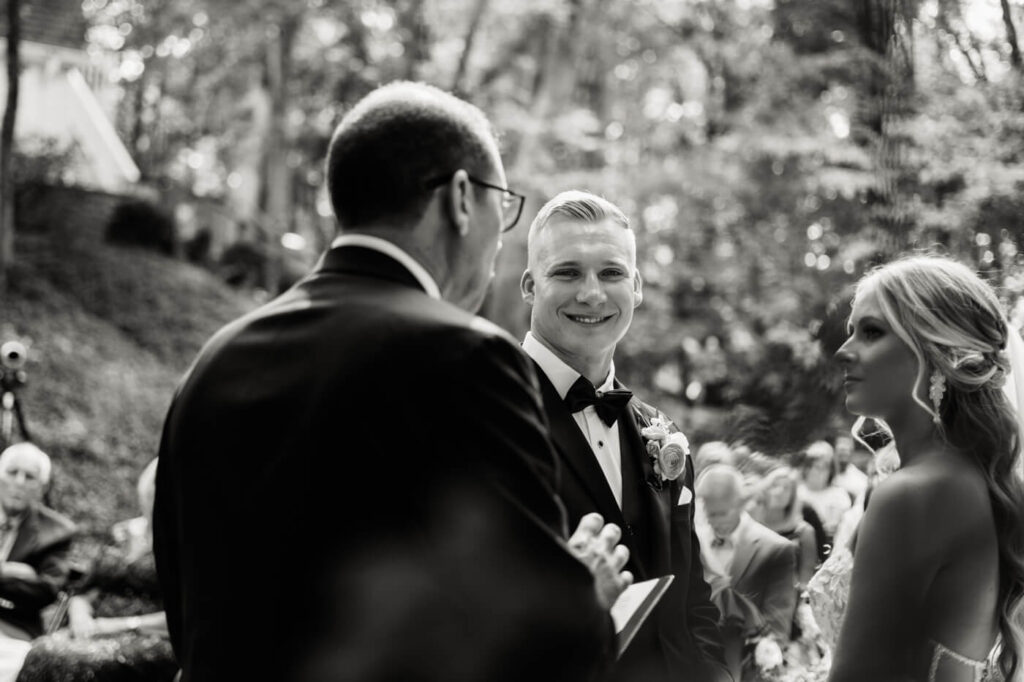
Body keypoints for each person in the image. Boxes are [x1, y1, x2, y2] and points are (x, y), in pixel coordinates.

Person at [153, 82, 628, 682]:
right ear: (460, 198)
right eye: (500, 204)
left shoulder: (214, 362)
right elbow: (537, 653)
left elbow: (187, 613)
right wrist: (582, 592)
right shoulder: (464, 356)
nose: (498, 237)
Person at [519, 190, 728, 682]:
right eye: (567, 272)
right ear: (530, 286)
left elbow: (691, 600)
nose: (592, 293)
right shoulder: (484, 413)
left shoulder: (663, 432)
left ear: (635, 286)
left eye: (611, 273)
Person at [823, 254, 1024, 681]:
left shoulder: (914, 494)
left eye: (871, 332)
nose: (843, 352)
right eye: (850, 332)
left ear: (937, 352)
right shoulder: (966, 478)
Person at [16, 457, 176, 682]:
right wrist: (80, 614)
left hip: (151, 636)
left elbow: (188, 616)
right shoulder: (123, 532)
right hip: (94, 626)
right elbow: (88, 587)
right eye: (156, 483)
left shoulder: (188, 547)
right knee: (41, 651)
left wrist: (120, 625)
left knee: (77, 663)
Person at [695, 465, 796, 681]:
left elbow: (777, 626)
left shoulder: (776, 548)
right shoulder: (695, 542)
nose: (714, 521)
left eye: (721, 513)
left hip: (746, 669)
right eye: (709, 513)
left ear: (741, 504)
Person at [0, 443, 76, 642]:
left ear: (42, 487)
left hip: (12, 625)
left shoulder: (56, 531)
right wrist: (8, 571)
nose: (19, 482)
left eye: (29, 477)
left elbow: (47, 589)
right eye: (12, 472)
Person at [749, 466, 818, 591]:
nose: (780, 492)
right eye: (775, 486)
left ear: (792, 496)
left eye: (786, 488)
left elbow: (805, 581)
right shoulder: (751, 526)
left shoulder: (804, 532)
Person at [797, 440, 851, 547]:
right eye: (817, 467)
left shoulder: (839, 495)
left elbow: (839, 528)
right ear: (806, 468)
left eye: (825, 467)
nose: (820, 472)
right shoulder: (797, 492)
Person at [830, 434, 868, 503]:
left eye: (847, 448)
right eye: (841, 449)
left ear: (852, 451)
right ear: (834, 450)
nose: (844, 450)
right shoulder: (823, 473)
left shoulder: (861, 480)